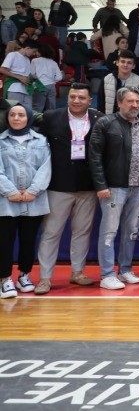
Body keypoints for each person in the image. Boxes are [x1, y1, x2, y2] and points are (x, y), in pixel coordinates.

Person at [35, 83, 100, 294]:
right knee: (51, 232)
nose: (76, 101)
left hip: (88, 186)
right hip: (58, 185)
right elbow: (38, 148)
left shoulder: (99, 119)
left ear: (90, 101)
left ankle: (77, 272)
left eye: (81, 98)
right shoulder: (51, 117)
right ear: (68, 98)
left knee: (82, 231)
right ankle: (45, 278)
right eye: (73, 97)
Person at [88, 87, 139, 290]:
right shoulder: (106, 123)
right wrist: (101, 185)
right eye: (130, 101)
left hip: (137, 186)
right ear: (119, 102)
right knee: (109, 232)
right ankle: (106, 274)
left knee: (131, 231)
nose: (134, 105)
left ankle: (125, 269)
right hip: (113, 187)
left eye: (137, 102)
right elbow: (94, 156)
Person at [0, 104, 51, 299]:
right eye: (12, 115)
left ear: (28, 118)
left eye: (21, 115)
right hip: (6, 201)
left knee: (28, 240)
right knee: (4, 241)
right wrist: (10, 191)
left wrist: (33, 190)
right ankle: (5, 279)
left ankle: (24, 275)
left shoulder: (41, 141)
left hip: (33, 200)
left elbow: (46, 167)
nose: (16, 118)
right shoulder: (1, 140)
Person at [1, 39, 36, 109]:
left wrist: (32, 77)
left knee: (28, 111)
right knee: (15, 110)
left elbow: (27, 74)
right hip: (14, 88)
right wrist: (20, 77)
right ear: (28, 48)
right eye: (34, 51)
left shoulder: (27, 59)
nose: (34, 54)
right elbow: (2, 69)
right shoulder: (13, 55)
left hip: (26, 89)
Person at [31, 46, 61, 113]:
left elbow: (32, 74)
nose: (35, 53)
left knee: (37, 107)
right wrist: (52, 81)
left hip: (39, 85)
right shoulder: (53, 62)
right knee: (51, 107)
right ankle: (50, 119)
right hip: (51, 86)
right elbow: (59, 77)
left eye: (37, 51)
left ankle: (36, 119)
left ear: (41, 52)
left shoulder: (35, 60)